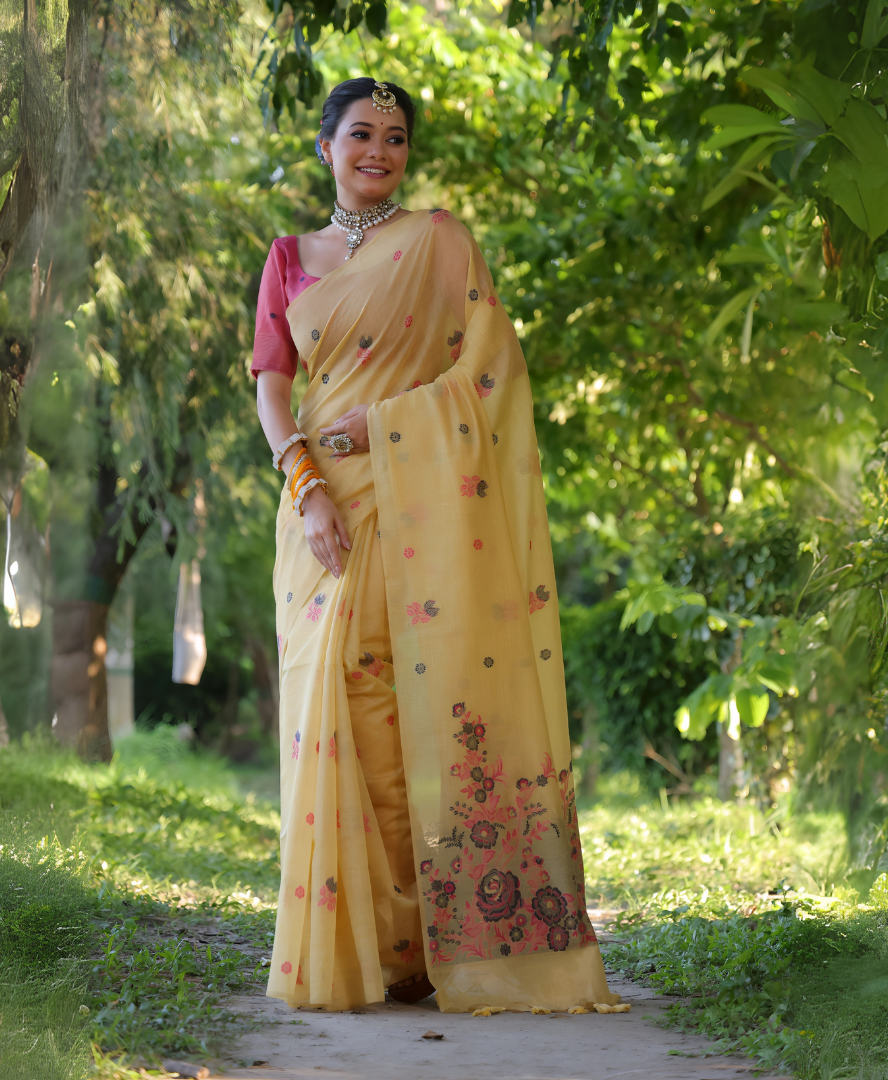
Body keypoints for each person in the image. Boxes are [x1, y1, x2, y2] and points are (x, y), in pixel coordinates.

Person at [252, 76, 614, 1013]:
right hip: (318, 516)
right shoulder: (288, 258)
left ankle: (423, 946)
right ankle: (359, 944)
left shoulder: (443, 244)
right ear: (325, 144)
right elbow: (271, 388)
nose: (381, 150)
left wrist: (391, 425)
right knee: (331, 706)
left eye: (397, 137)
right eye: (362, 133)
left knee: (403, 709)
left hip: (414, 509)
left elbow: (490, 367)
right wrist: (306, 486)